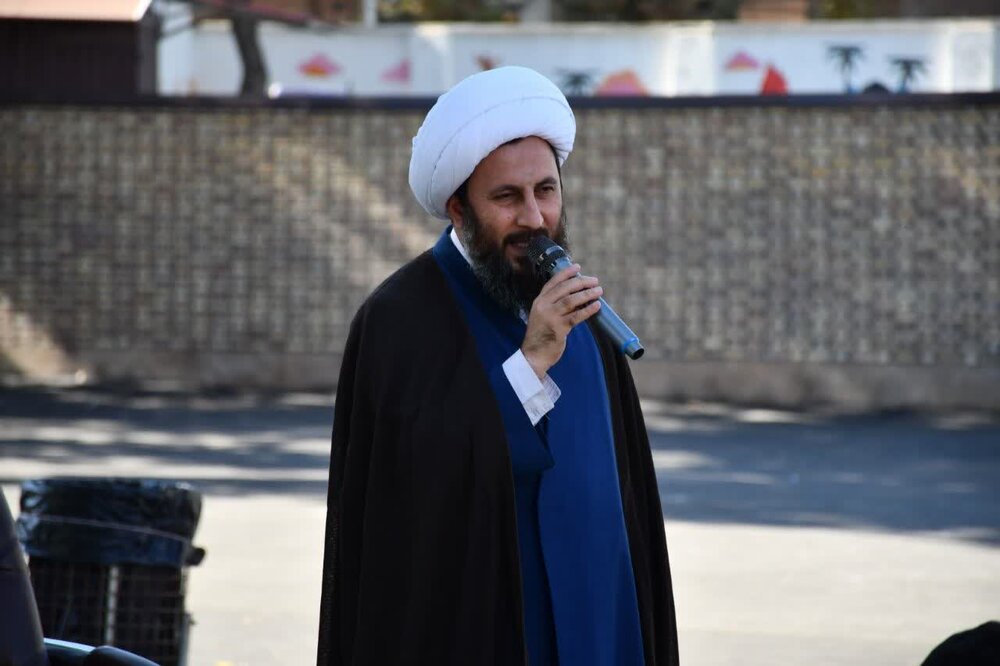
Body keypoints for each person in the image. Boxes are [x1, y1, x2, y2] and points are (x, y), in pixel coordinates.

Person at [317, 66, 678, 666]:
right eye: (507, 198)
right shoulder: (399, 319)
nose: (534, 218)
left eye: (546, 191)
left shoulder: (587, 318)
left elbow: (627, 501)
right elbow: (413, 496)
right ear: (459, 210)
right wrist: (530, 363)